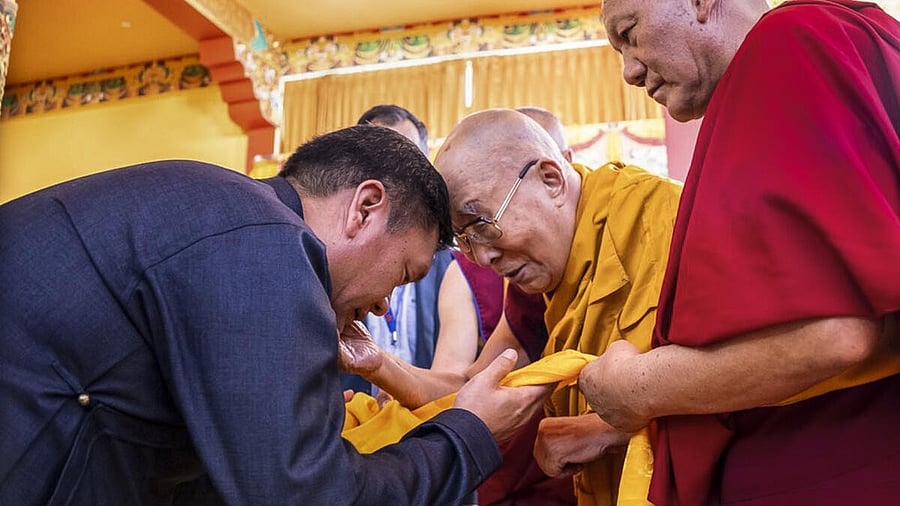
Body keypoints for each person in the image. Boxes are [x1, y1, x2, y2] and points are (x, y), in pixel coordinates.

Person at [0, 125, 553, 505]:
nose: (385, 306)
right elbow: (304, 493)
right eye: (404, 273)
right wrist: (467, 435)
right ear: (364, 208)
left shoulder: (226, 213)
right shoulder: (264, 244)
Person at [579, 1, 900, 504]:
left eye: (630, 32)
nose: (630, 71)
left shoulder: (789, 40)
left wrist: (637, 386)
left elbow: (834, 334)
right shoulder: (784, 71)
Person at [344, 108, 682, 505]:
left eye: (484, 225)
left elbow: (759, 366)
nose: (483, 258)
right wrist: (378, 362)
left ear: (551, 179)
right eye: (465, 240)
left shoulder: (665, 219)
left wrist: (609, 427)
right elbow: (473, 387)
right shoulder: (536, 285)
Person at [342, 104, 486, 399]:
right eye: (377, 164)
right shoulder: (334, 258)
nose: (393, 182)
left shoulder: (453, 266)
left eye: (407, 164)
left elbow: (454, 378)